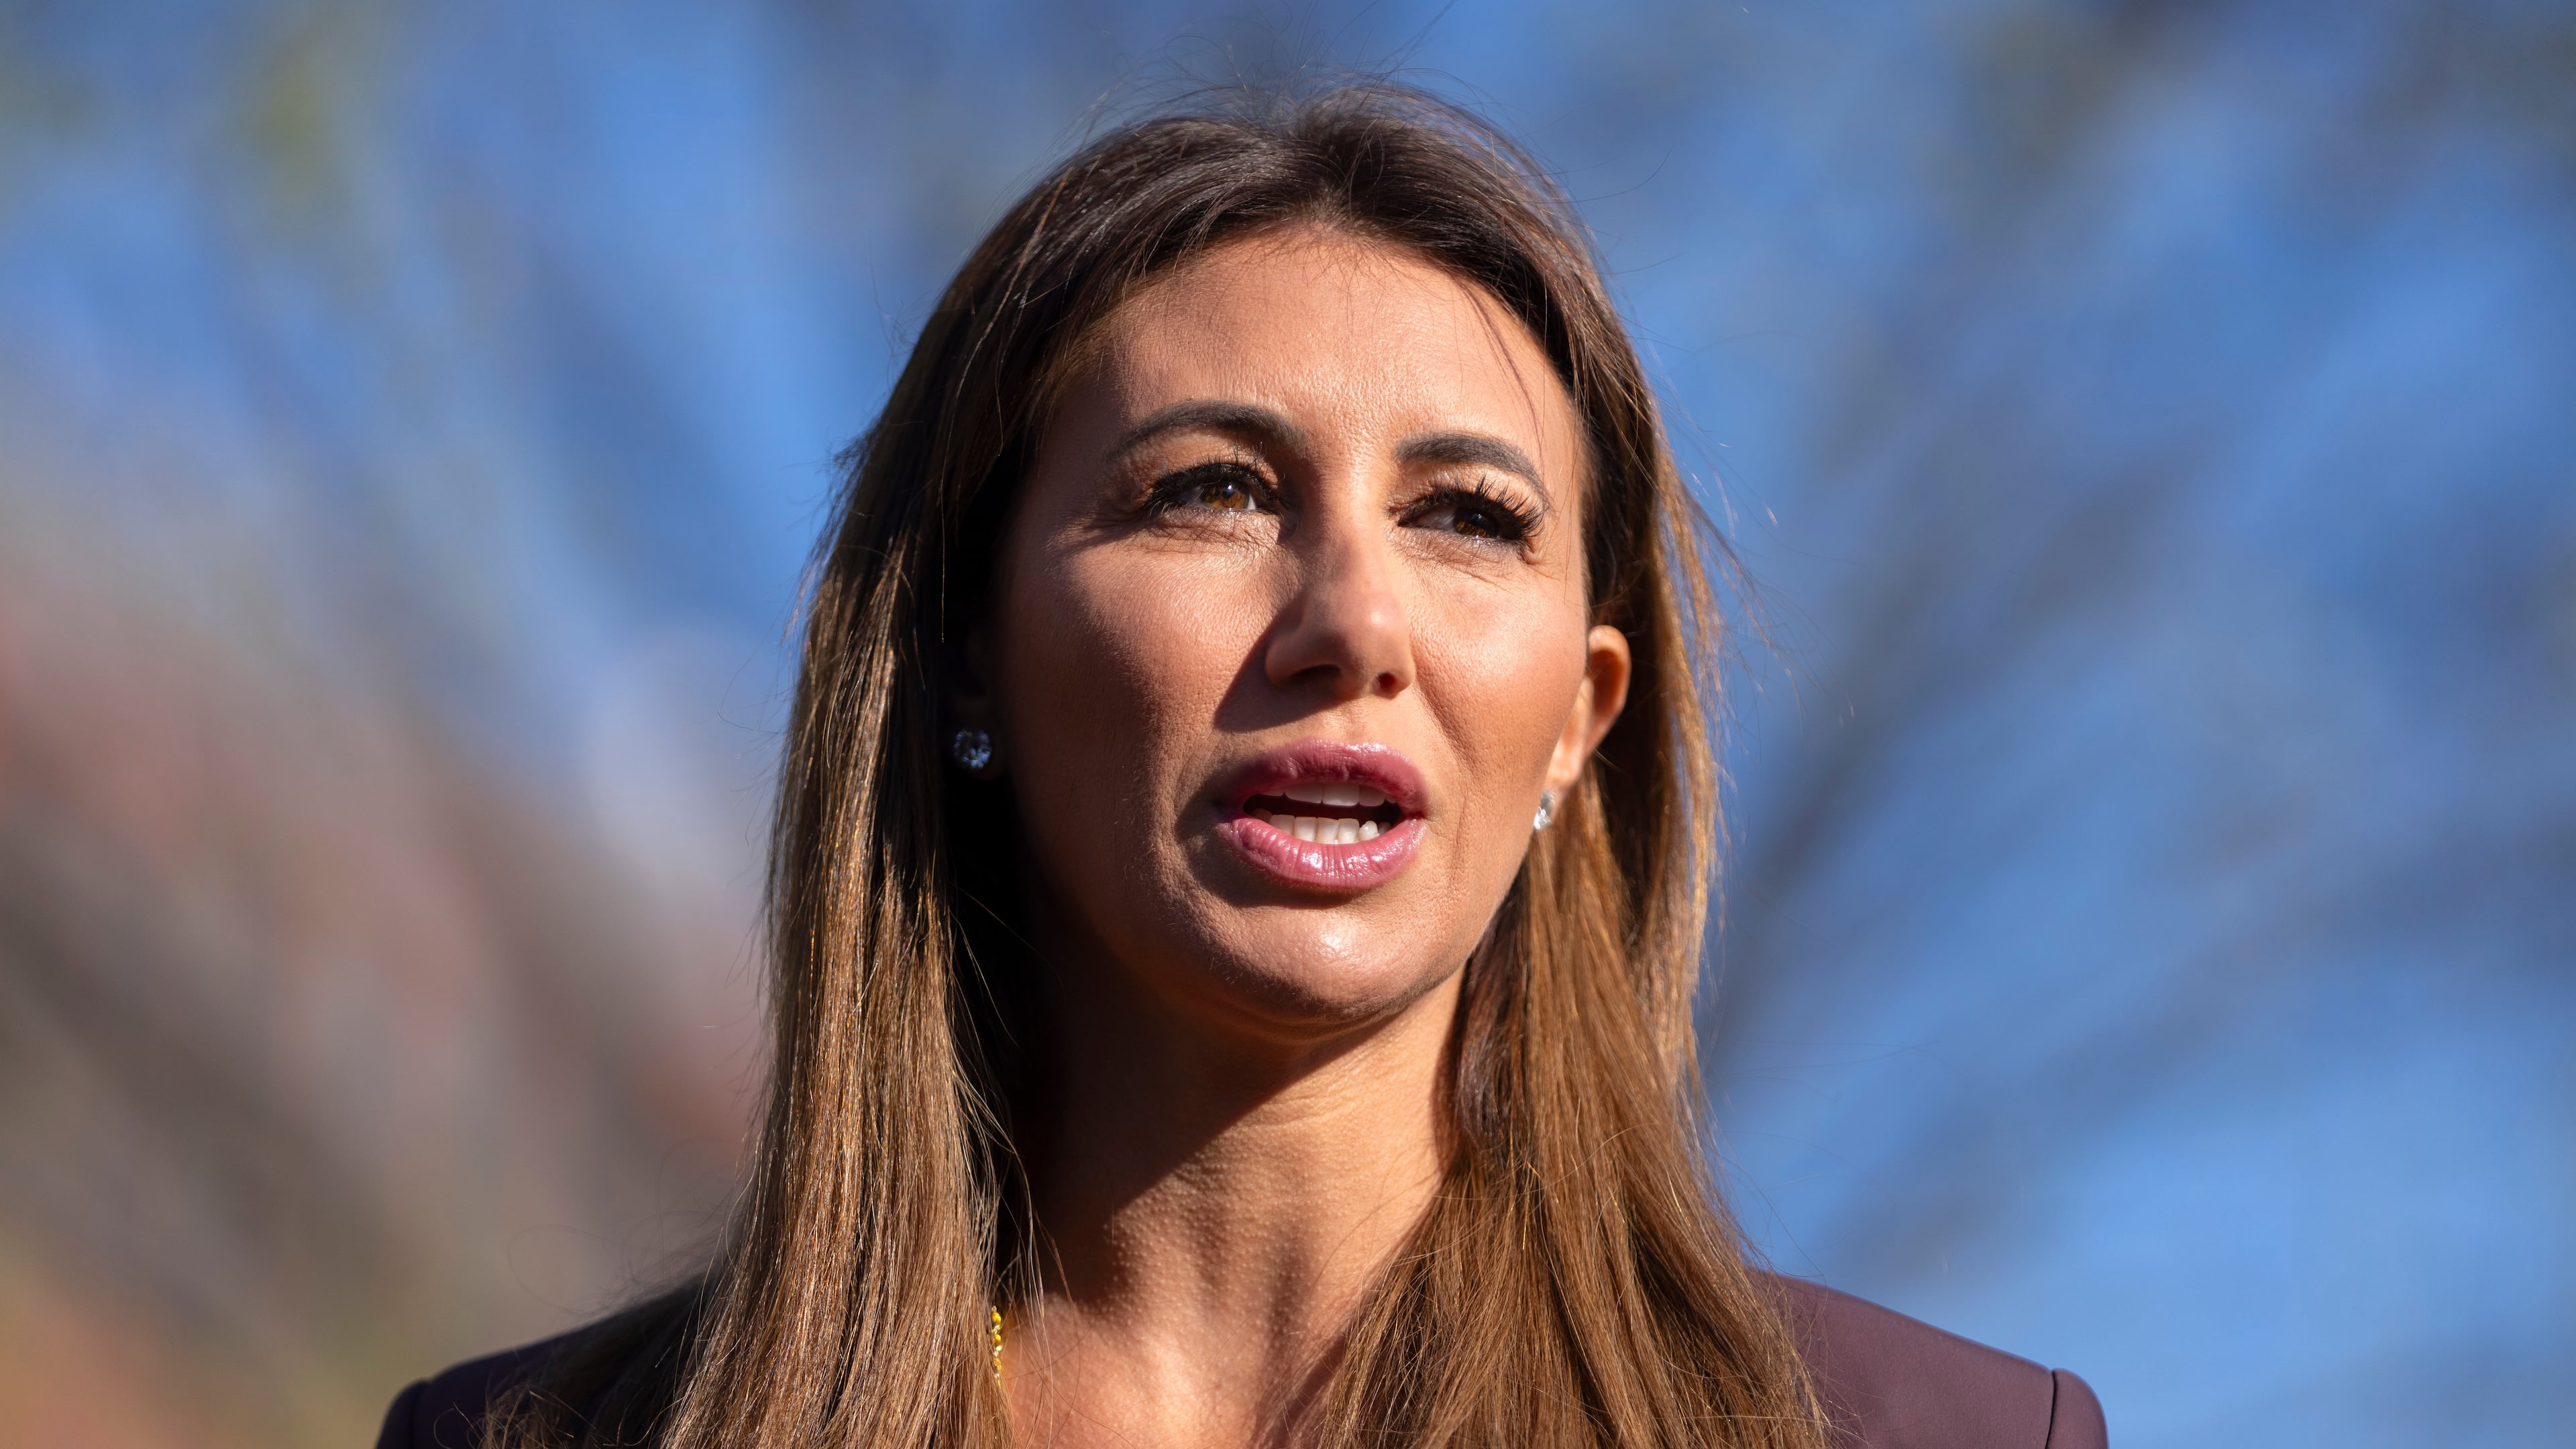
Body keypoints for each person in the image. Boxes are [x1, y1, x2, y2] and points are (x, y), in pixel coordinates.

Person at [377, 83, 2106, 1449]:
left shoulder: (1937, 1439)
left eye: (1469, 518)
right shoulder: (535, 1439)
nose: (1354, 620)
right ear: (966, 640)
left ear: (1580, 720)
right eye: (1210, 489)